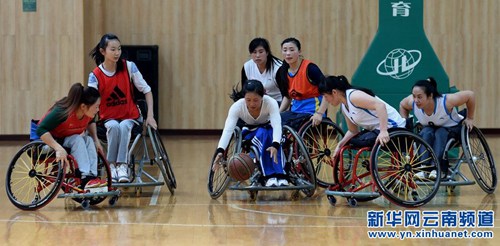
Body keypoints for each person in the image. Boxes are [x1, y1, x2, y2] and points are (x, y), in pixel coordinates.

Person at [88, 33, 157, 183]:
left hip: (130, 116)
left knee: (124, 126)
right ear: (102, 51)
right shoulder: (95, 76)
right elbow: (89, 103)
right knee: (113, 126)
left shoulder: (129, 66)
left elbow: (147, 90)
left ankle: (122, 165)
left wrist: (150, 115)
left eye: (119, 49)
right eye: (113, 49)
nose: (117, 53)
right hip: (108, 118)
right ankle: (111, 166)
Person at [213, 80, 288, 187]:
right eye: (248, 100)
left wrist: (275, 144)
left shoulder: (271, 102)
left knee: (273, 138)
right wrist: (220, 150)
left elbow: (276, 125)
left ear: (263, 96)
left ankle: (281, 175)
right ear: (244, 98)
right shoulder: (237, 107)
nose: (252, 104)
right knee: (263, 134)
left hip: (269, 129)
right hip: (250, 131)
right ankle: (269, 176)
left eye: (256, 100)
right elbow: (228, 130)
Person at [399, 77, 475, 179]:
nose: (416, 100)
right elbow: (402, 105)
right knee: (425, 132)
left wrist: (470, 118)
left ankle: (437, 167)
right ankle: (423, 167)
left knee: (440, 132)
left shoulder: (446, 101)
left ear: (430, 95)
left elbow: (470, 95)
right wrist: (406, 124)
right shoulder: (411, 102)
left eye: (420, 97)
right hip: (431, 130)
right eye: (414, 96)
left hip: (453, 131)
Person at [36, 83, 106, 190]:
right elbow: (41, 130)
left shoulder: (87, 113)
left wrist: (96, 140)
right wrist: (58, 148)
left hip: (67, 140)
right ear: (83, 106)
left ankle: (92, 176)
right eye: (96, 107)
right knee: (77, 139)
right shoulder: (62, 111)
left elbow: (91, 122)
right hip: (47, 143)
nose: (98, 110)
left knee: (88, 140)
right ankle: (84, 177)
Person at [318, 75, 407, 158]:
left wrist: (383, 131)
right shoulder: (344, 106)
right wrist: (340, 145)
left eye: (325, 96)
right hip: (376, 130)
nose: (325, 100)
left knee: (363, 140)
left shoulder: (353, 96)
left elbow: (380, 106)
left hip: (394, 127)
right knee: (353, 141)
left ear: (334, 92)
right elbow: (353, 131)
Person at [276, 37, 328, 129]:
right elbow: (287, 97)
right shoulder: (282, 71)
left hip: (312, 111)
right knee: (276, 121)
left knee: (291, 123)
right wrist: (278, 114)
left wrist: (320, 113)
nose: (288, 53)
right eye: (285, 50)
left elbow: (327, 92)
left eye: (292, 50)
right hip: (296, 112)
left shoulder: (310, 68)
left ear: (299, 51)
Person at [241, 37, 283, 104]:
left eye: (261, 52)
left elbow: (286, 96)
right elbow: (245, 92)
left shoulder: (278, 68)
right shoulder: (247, 67)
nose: (257, 55)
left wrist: (279, 113)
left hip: (277, 102)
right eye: (254, 52)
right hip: (256, 103)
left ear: (267, 52)